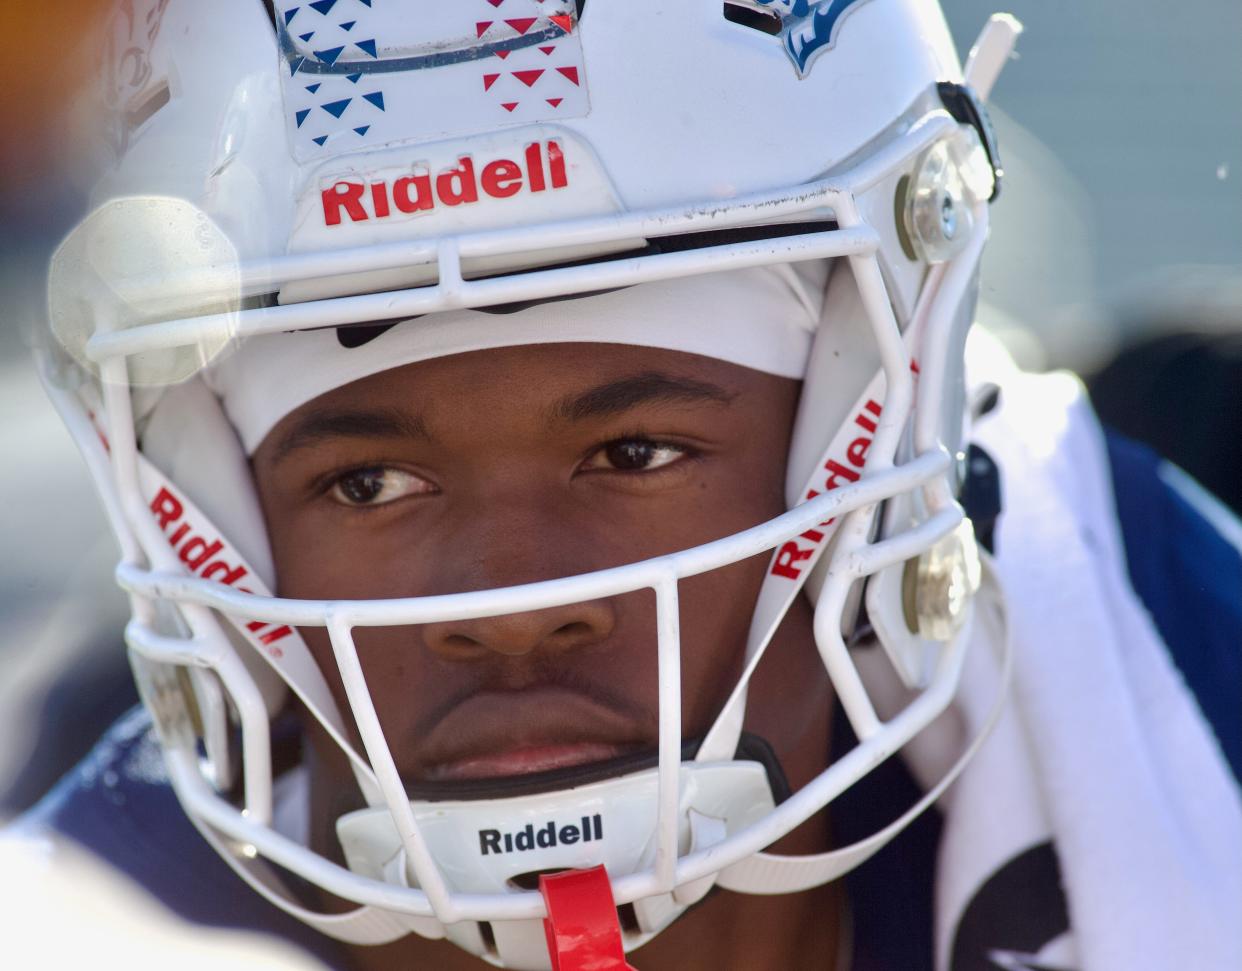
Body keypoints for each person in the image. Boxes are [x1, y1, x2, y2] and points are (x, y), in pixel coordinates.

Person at [11, 1, 1242, 969]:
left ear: (865, 443)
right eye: (370, 480)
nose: (509, 602)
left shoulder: (1183, 680)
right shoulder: (92, 915)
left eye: (635, 454)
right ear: (219, 522)